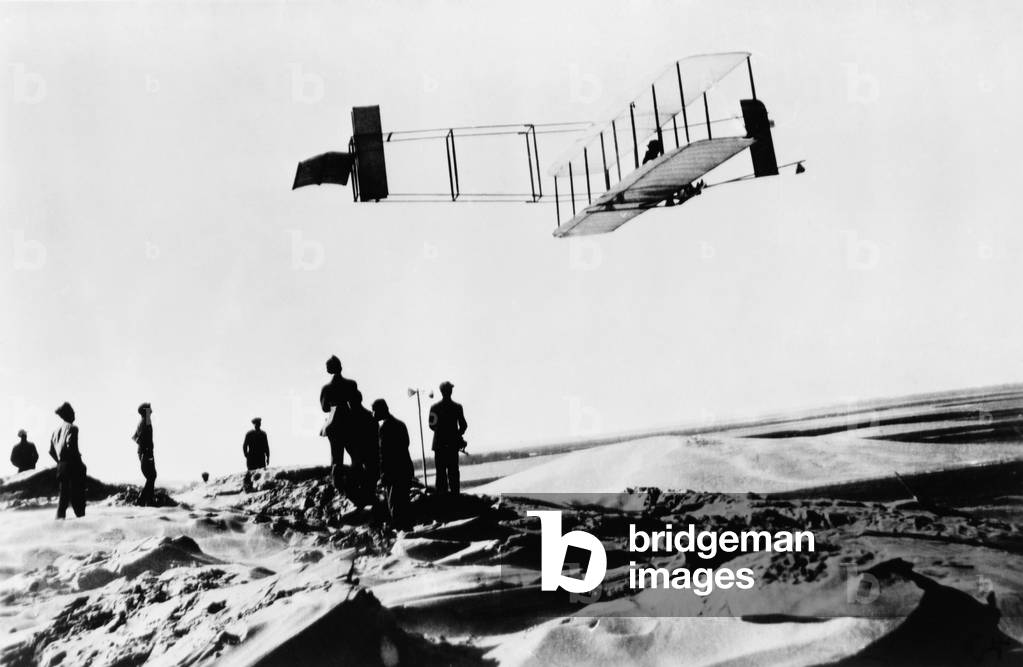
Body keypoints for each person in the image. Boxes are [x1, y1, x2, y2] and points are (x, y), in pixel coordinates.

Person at [319, 355, 359, 492]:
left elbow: (324, 408)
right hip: (349, 423)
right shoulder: (351, 384)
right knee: (355, 455)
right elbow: (356, 402)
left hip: (334, 423)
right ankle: (354, 481)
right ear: (340, 367)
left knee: (336, 457)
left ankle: (338, 486)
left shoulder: (327, 388)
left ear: (328, 370)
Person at [373, 399, 413, 529]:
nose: (373, 414)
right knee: (405, 505)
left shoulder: (384, 428)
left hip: (393, 474)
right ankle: (409, 532)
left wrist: (383, 475)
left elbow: (384, 455)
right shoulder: (400, 424)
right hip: (405, 470)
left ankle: (402, 535)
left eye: (374, 410)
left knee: (394, 506)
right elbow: (406, 444)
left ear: (380, 410)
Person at [428, 381, 468, 496]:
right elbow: (464, 425)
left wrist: (442, 433)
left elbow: (431, 425)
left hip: (440, 446)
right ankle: (455, 499)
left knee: (440, 475)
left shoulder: (434, 407)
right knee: (453, 473)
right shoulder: (457, 407)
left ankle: (442, 501)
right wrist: (456, 435)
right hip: (452, 446)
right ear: (450, 391)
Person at [49, 402, 86, 519]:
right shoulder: (73, 428)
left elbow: (51, 451)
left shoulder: (55, 431)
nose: (75, 414)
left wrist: (61, 462)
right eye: (73, 412)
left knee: (63, 500)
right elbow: (71, 446)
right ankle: (83, 528)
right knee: (78, 499)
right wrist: (79, 463)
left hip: (61, 466)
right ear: (69, 414)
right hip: (73, 465)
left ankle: (59, 527)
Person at [348, 390, 380, 506]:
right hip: (370, 458)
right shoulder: (370, 416)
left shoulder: (351, 419)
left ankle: (370, 509)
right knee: (368, 488)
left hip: (363, 459)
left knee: (363, 488)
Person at [132, 403, 157, 506]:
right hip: (146, 454)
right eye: (149, 408)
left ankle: (147, 500)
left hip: (144, 453)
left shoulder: (143, 421)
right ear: (145, 411)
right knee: (151, 477)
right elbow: (137, 438)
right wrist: (146, 449)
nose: (151, 410)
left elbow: (134, 437)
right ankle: (142, 501)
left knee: (151, 477)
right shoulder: (146, 421)